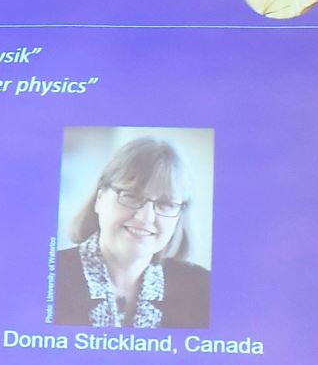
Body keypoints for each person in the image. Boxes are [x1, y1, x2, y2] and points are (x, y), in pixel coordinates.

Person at [51, 136, 208, 329]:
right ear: (100, 198)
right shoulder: (49, 276)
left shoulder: (202, 290)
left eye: (165, 204)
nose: (145, 217)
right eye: (132, 195)